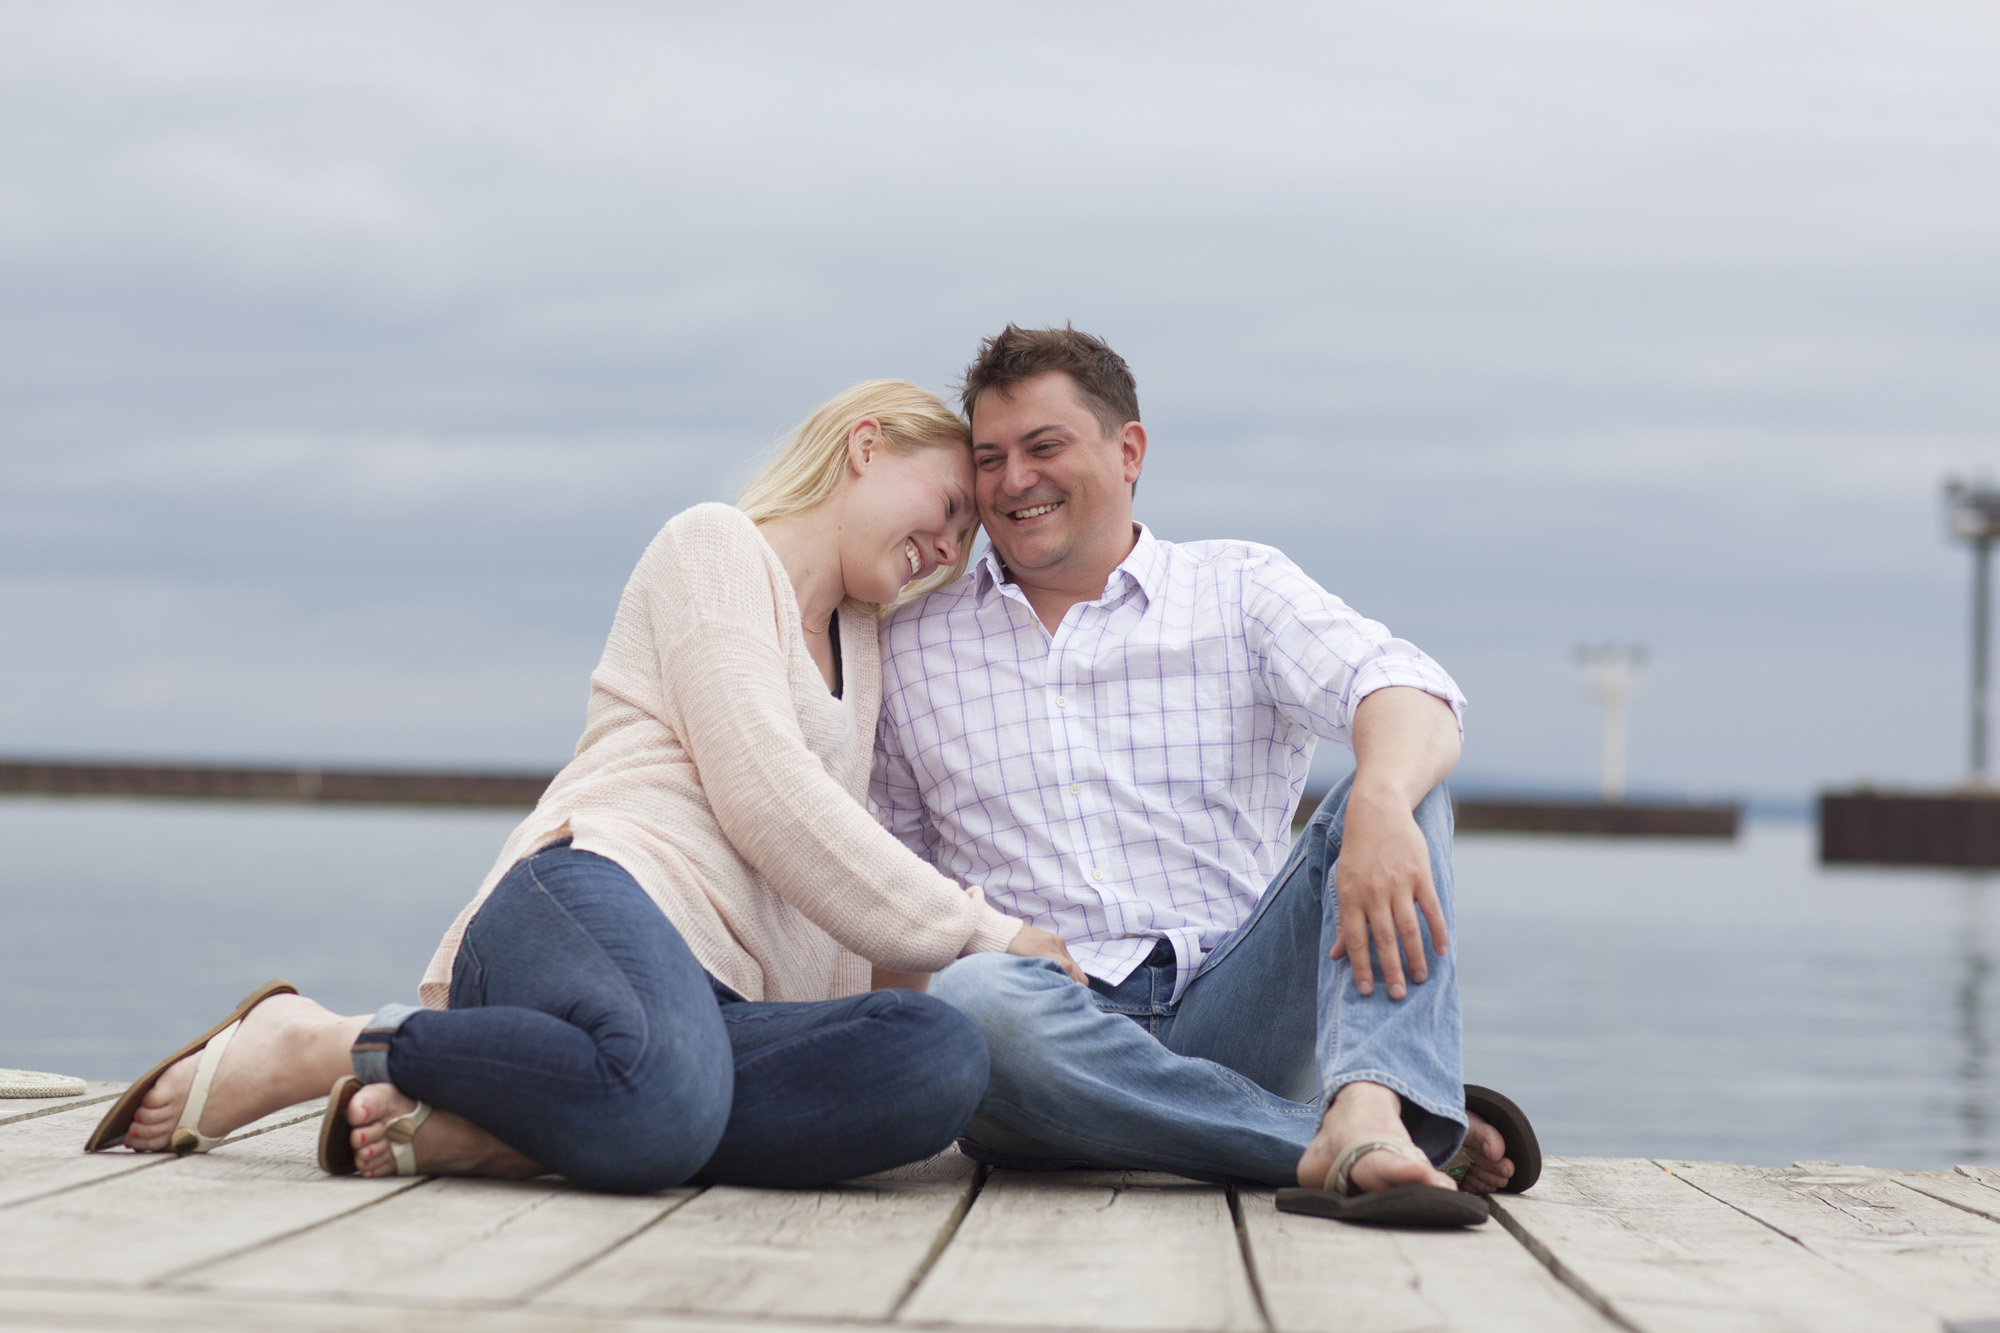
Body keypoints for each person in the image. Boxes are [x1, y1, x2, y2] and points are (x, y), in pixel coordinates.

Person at [88, 379, 1085, 1192]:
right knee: (665, 1094)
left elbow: (840, 885)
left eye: (962, 545)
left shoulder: (867, 645)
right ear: (865, 445)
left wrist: (954, 1014)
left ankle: (517, 1133)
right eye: (949, 508)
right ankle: (319, 1041)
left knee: (937, 1058)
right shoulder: (716, 545)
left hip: (722, 1009)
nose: (946, 551)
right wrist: (984, 932)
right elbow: (768, 795)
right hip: (593, 895)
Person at [871, 327, 1531, 1226]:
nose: (1012, 479)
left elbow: (1405, 689)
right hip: (1041, 1034)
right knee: (969, 1002)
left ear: (1129, 449)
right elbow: (901, 895)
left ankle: (1371, 1098)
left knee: (1405, 786)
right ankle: (1363, 1133)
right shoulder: (911, 641)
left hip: (1238, 1007)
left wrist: (1378, 798)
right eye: (989, 458)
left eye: (1044, 446)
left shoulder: (1236, 588)